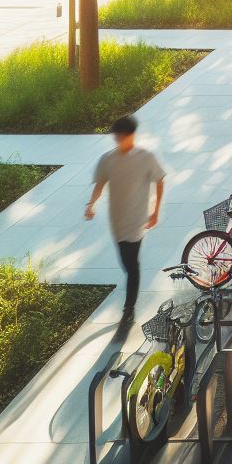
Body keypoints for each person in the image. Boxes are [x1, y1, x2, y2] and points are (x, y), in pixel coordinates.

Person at [84, 116, 165, 326]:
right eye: (116, 135)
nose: (118, 139)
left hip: (137, 218)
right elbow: (100, 184)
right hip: (117, 220)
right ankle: (130, 301)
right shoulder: (107, 159)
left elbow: (159, 180)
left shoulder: (145, 157)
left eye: (121, 135)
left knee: (131, 264)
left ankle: (129, 308)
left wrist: (155, 211)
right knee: (126, 263)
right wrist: (90, 204)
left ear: (131, 135)